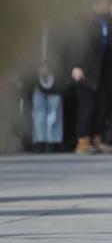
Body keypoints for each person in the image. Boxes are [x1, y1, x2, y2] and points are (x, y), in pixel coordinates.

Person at [67, 0, 112, 154]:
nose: (107, 5)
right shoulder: (83, 21)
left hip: (102, 70)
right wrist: (76, 66)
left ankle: (97, 138)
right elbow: (76, 44)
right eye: (105, 2)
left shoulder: (107, 21)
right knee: (87, 107)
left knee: (102, 105)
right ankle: (82, 141)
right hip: (86, 69)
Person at [31, 23, 66, 153]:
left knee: (54, 109)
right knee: (38, 110)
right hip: (35, 74)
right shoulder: (30, 29)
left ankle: (53, 141)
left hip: (56, 73)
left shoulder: (60, 29)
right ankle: (40, 141)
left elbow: (64, 51)